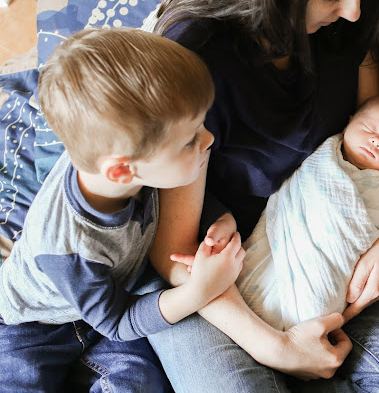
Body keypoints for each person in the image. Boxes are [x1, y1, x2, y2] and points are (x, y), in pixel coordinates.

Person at [144, 0, 379, 390]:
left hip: (326, 241)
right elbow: (172, 252)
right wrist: (272, 347)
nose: (354, 13)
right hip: (213, 281)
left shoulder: (344, 31)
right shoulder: (196, 61)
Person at [0, 28, 245, 392]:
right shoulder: (69, 247)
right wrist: (200, 291)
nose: (208, 140)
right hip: (34, 327)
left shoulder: (130, 165)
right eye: (191, 138)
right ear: (120, 171)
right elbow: (118, 322)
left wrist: (220, 219)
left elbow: (174, 192)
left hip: (116, 301)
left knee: (140, 382)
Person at [174, 95, 379, 330]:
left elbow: (375, 222)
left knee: (316, 306)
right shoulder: (322, 159)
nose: (378, 142)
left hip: (332, 267)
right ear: (349, 122)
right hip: (278, 243)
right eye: (369, 128)